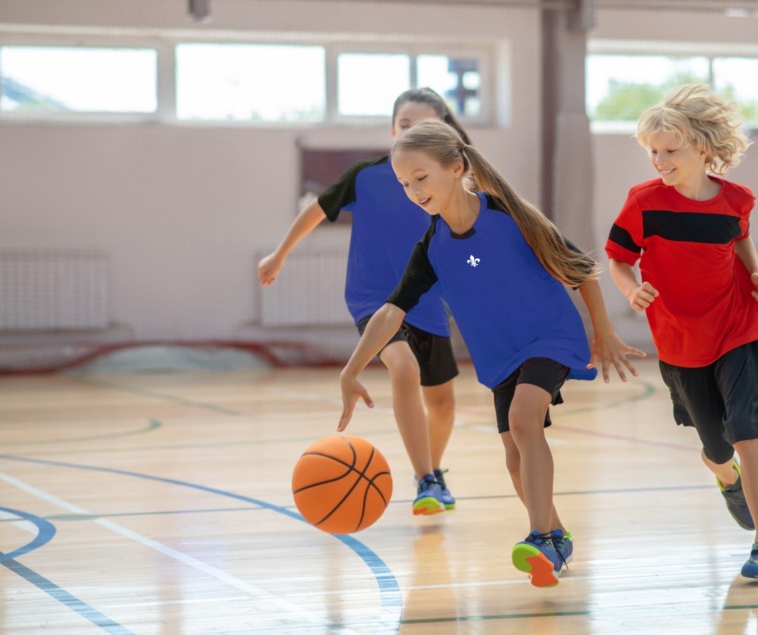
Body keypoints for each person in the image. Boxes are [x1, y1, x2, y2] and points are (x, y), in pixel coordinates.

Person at [338, 119, 647, 588]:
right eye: (404, 184)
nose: (413, 191)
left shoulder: (508, 214)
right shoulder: (432, 247)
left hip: (548, 335)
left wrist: (603, 331)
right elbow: (390, 313)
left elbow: (580, 269)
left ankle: (540, 536)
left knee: (524, 419)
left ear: (456, 167)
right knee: (514, 460)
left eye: (421, 178)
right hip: (500, 357)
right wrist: (352, 369)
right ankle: (558, 536)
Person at [603, 84, 758, 581]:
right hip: (680, 340)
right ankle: (727, 477)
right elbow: (618, 259)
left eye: (670, 151)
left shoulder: (737, 200)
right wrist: (630, 290)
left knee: (746, 427)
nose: (659, 161)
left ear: (702, 147)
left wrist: (757, 274)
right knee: (718, 447)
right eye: (653, 152)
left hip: (736, 326)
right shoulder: (643, 202)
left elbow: (740, 238)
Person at [258, 88, 467, 516]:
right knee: (403, 367)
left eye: (425, 126)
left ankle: (432, 472)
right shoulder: (365, 176)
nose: (412, 131)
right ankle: (426, 478)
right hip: (373, 297)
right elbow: (316, 211)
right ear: (392, 130)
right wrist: (279, 253)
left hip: (428, 300)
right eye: (405, 125)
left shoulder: (450, 183)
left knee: (443, 404)